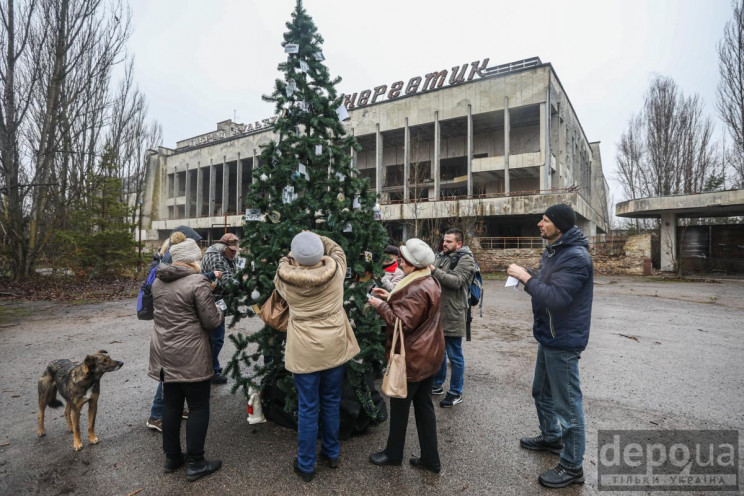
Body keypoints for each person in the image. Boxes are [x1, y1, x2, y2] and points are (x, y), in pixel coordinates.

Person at [507, 204, 593, 488]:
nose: (539, 224)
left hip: (563, 340)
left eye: (545, 220)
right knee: (541, 392)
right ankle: (551, 437)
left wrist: (525, 277)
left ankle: (572, 467)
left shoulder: (576, 257)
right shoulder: (555, 250)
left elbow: (556, 297)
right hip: (549, 336)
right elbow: (548, 281)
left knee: (568, 407)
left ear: (559, 225)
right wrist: (529, 273)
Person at [274, 232, 360, 483]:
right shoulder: (337, 273)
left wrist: (291, 255)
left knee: (308, 408)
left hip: (304, 352)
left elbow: (282, 266)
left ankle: (306, 465)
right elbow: (338, 251)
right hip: (334, 347)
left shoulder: (285, 280)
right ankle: (332, 453)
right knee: (332, 401)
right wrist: (316, 237)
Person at [149, 237, 224, 482]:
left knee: (171, 406)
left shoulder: (158, 283)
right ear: (193, 259)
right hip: (191, 356)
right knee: (199, 406)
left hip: (165, 356)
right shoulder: (197, 282)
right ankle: (196, 462)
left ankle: (172, 457)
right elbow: (211, 321)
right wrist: (221, 309)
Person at [367, 238, 444, 473]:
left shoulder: (417, 287)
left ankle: (393, 454)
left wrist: (379, 305)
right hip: (428, 356)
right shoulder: (428, 280)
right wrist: (389, 296)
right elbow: (413, 309)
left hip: (412, 358)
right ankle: (430, 459)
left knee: (400, 408)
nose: (400, 262)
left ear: (412, 264)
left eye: (403, 260)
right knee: (424, 407)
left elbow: (402, 321)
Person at [429, 228, 475, 407]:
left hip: (454, 314)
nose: (444, 244)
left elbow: (456, 282)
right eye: (444, 240)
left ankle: (456, 392)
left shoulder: (466, 260)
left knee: (454, 355)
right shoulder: (441, 256)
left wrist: (433, 270)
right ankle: (437, 384)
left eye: (449, 241)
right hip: (438, 313)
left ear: (459, 244)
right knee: (439, 352)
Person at [201, 233, 242, 385]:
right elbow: (226, 282)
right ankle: (210, 371)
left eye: (235, 250)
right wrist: (244, 283)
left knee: (214, 338)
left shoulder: (226, 256)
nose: (234, 252)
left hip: (217, 301)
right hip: (211, 302)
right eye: (231, 250)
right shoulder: (216, 258)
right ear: (223, 247)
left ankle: (213, 367)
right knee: (216, 339)